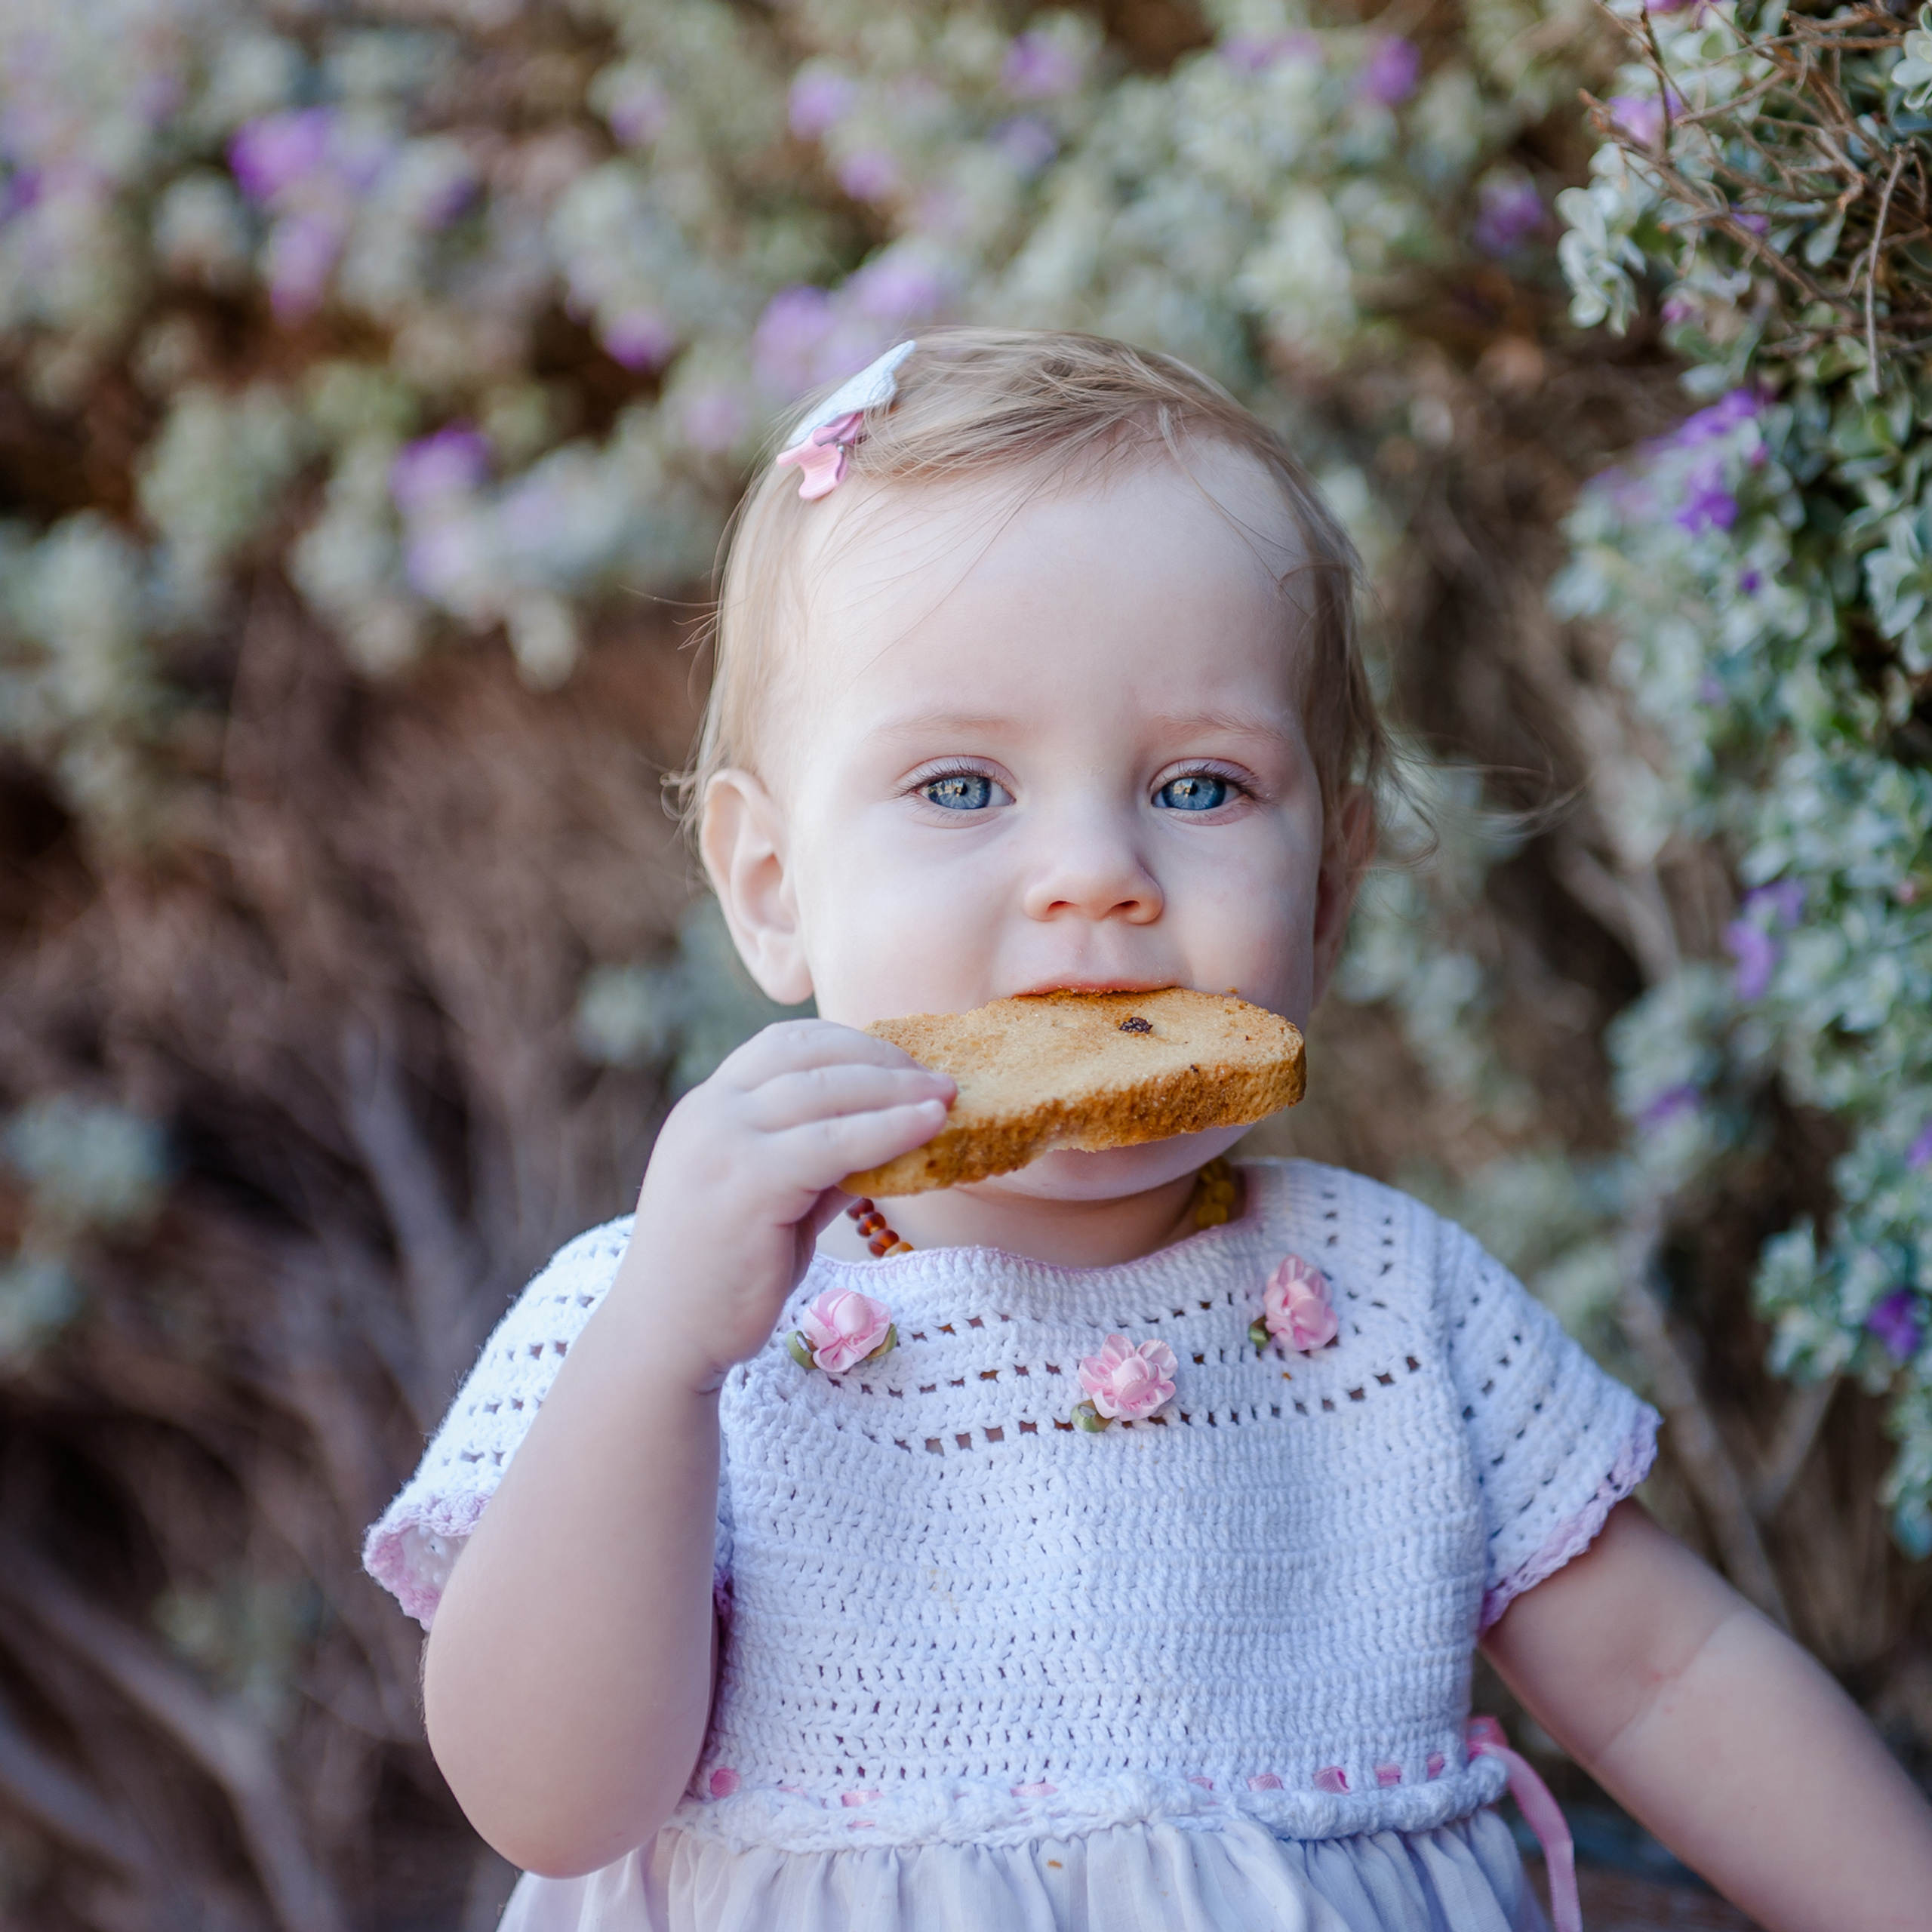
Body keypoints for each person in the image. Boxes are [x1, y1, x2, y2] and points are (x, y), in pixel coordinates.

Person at [364, 329, 1932, 1931]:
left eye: (1197, 788)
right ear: (770, 885)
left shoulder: (1394, 1305)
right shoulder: (663, 1317)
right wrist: (655, 1361)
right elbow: (547, 1797)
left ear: (1325, 896)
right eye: (963, 786)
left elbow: (1667, 1676)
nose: (1093, 872)